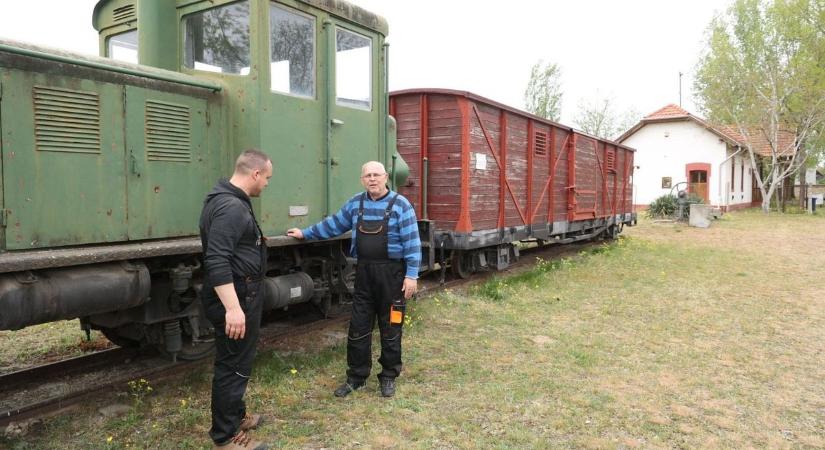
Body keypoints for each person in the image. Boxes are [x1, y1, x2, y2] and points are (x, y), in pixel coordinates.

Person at [287, 161, 420, 398]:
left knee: (391, 327)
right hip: (364, 274)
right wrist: (305, 233)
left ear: (386, 177)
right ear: (362, 179)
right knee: (358, 327)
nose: (372, 179)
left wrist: (411, 275)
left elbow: (412, 243)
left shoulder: (401, 205)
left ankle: (389, 376)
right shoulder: (356, 203)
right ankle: (356, 377)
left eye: (376, 175)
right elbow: (333, 225)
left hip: (392, 276)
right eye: (367, 175)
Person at [200, 149, 273, 450]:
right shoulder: (231, 207)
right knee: (234, 366)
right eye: (267, 178)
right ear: (255, 174)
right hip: (238, 296)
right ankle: (225, 437)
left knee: (236, 360)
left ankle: (235, 415)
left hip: (243, 292)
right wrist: (233, 308)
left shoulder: (225, 200)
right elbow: (216, 260)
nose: (266, 184)